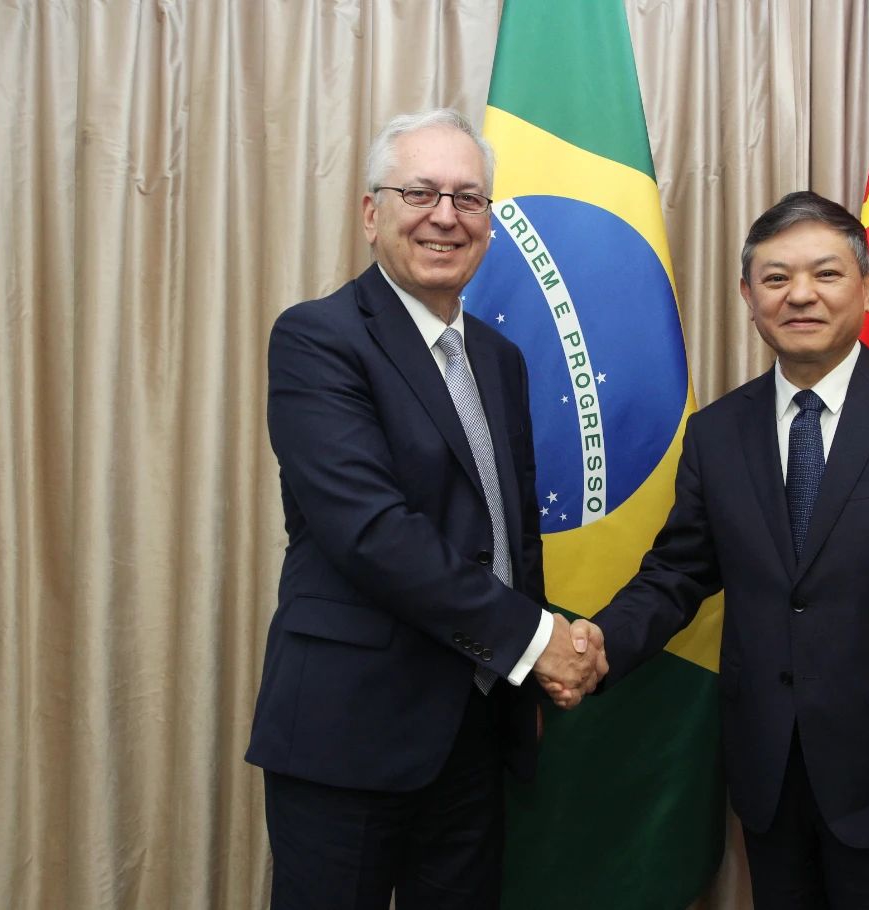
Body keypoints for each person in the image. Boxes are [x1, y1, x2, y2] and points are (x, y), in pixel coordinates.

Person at [547, 191, 869, 908]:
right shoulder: (717, 433)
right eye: (776, 278)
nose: (801, 295)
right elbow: (679, 572)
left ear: (867, 287)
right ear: (748, 297)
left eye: (826, 273)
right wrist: (598, 645)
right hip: (768, 772)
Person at [245, 108, 605, 910]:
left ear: (488, 223)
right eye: (420, 192)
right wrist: (537, 641)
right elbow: (372, 533)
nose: (446, 215)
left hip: (477, 729)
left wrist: (525, 673)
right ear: (371, 213)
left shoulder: (501, 359)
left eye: (468, 198)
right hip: (349, 729)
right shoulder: (318, 339)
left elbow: (512, 536)